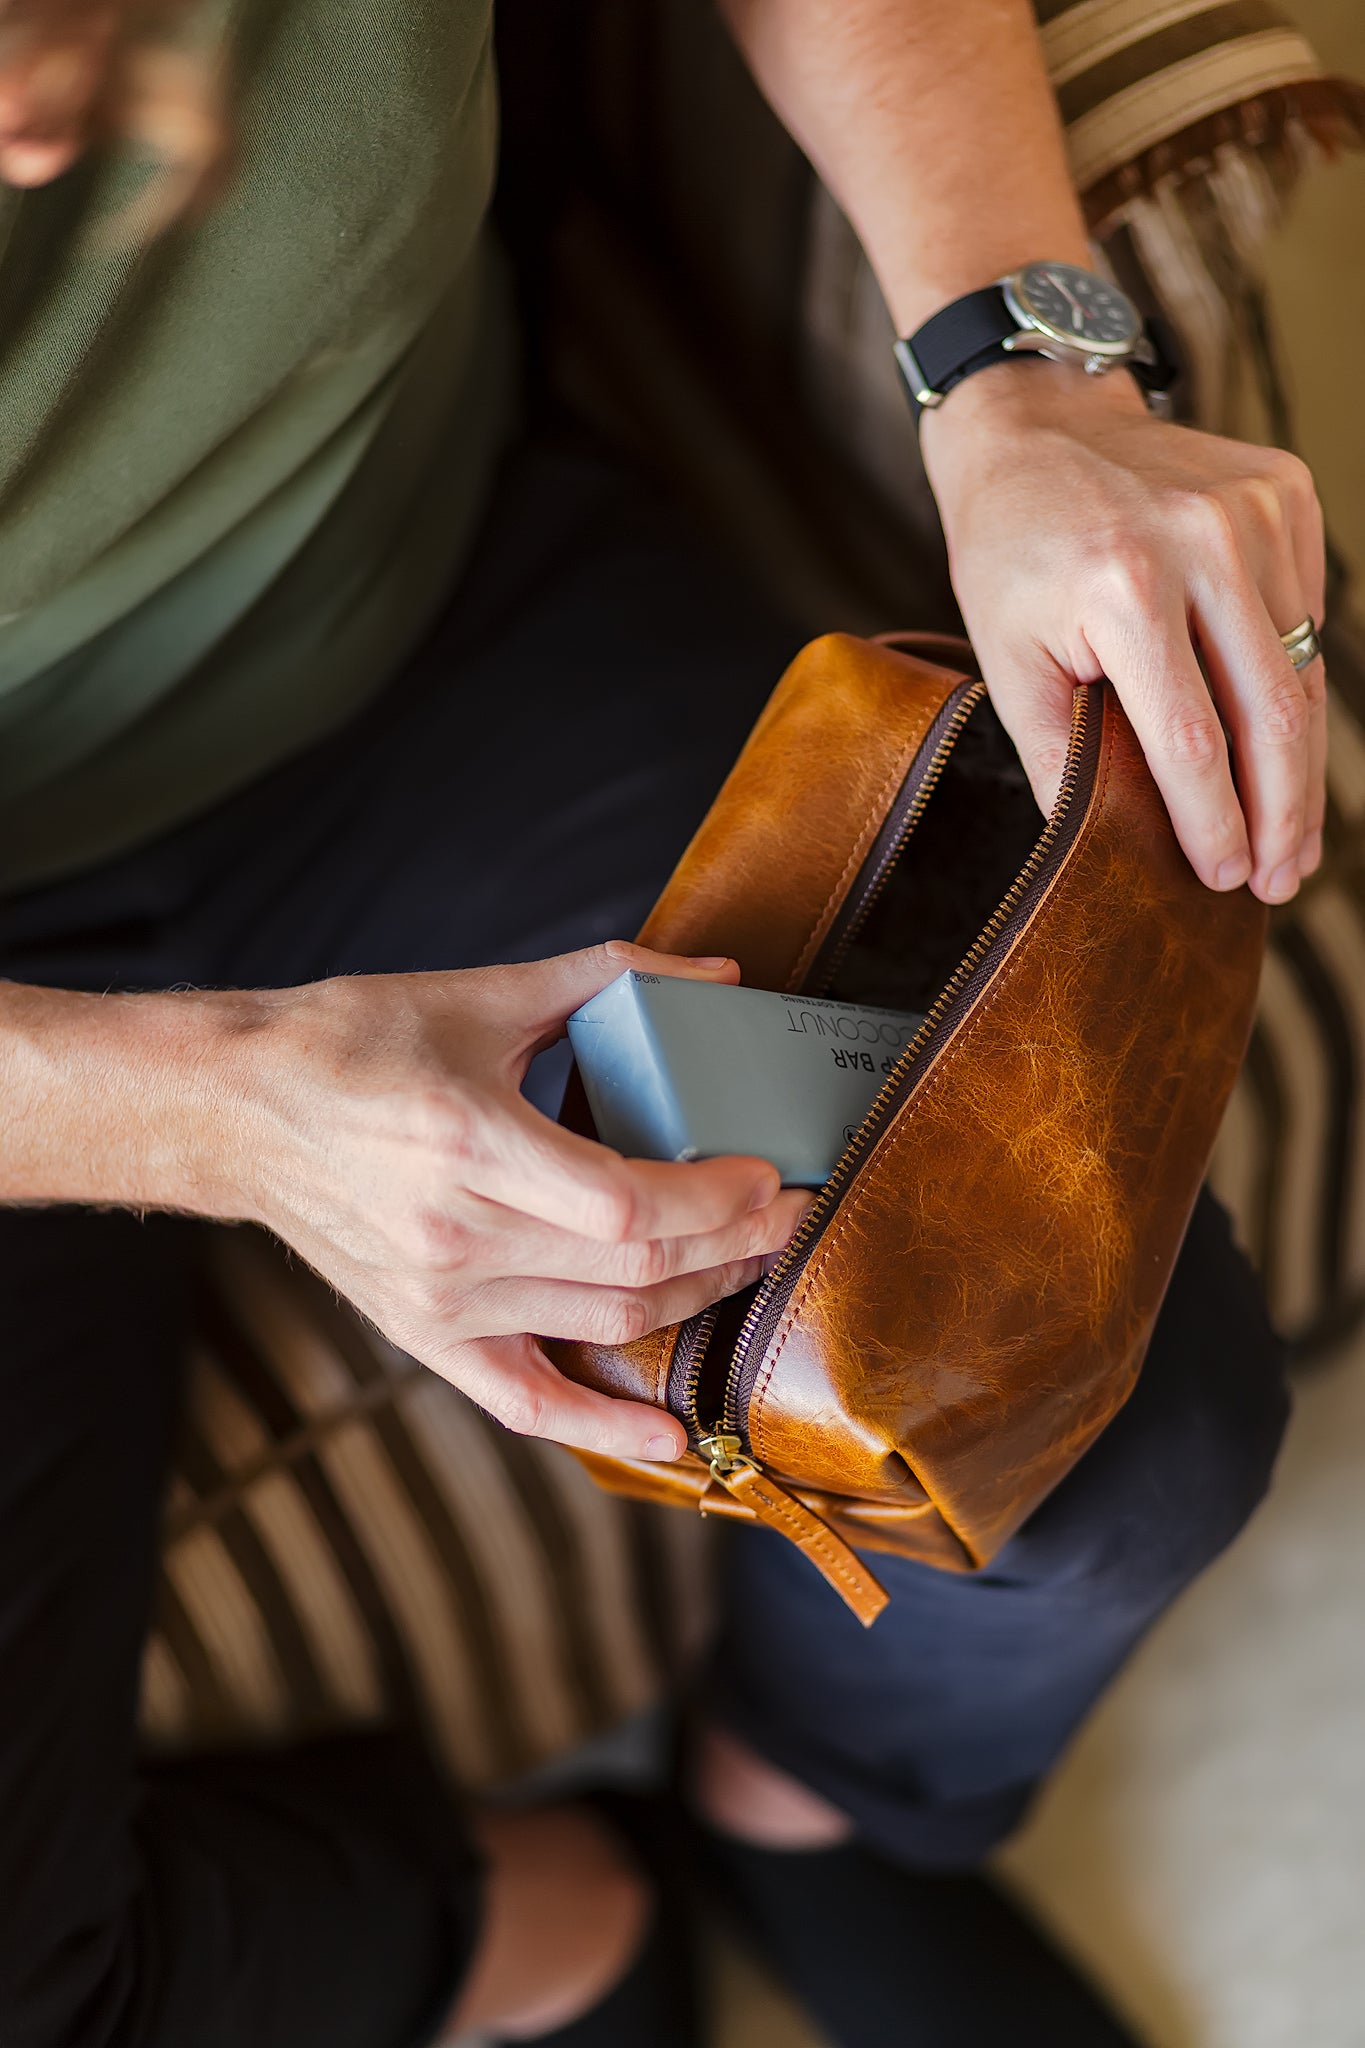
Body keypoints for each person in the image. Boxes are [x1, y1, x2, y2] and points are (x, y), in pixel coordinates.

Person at [0, 1, 1308, 2043]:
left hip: (405, 643)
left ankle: (804, 1809)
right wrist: (205, 1113)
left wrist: (1020, 361)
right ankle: (548, 1922)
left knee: (1095, 1431)